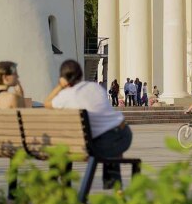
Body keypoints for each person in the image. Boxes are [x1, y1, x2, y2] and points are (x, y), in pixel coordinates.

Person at [45, 60, 131, 190]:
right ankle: (116, 190)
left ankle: (60, 190)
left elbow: (47, 103)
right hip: (123, 134)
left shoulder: (65, 96)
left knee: (62, 149)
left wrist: (60, 86)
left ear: (63, 78)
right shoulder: (95, 87)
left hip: (99, 144)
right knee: (110, 148)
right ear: (80, 74)